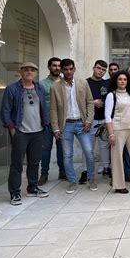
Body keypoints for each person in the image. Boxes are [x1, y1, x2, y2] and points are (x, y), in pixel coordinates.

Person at [1, 62, 50, 205]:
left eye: (32, 70)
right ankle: (15, 193)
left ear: (35, 72)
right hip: (20, 132)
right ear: (20, 72)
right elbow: (5, 110)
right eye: (26, 69)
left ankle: (32, 188)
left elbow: (44, 107)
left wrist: (45, 123)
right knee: (17, 164)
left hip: (38, 131)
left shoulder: (39, 88)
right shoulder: (12, 89)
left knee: (34, 162)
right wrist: (12, 129)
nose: (29, 72)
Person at [50, 58, 96, 194]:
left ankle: (91, 179)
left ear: (74, 69)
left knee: (89, 152)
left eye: (71, 69)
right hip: (66, 125)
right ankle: (71, 182)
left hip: (82, 124)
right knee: (67, 155)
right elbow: (52, 109)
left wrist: (88, 121)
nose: (68, 72)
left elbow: (90, 102)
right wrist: (56, 128)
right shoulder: (56, 87)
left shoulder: (83, 83)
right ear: (62, 70)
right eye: (66, 69)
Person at [38, 57, 65, 185]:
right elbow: (39, 104)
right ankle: (44, 173)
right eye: (54, 66)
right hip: (47, 122)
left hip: (62, 122)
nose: (57, 68)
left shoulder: (65, 82)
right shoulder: (42, 84)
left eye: (59, 66)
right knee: (45, 148)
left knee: (62, 148)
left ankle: (62, 171)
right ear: (49, 67)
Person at [86, 60, 111, 178]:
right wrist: (92, 103)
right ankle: (87, 171)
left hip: (104, 120)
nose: (101, 71)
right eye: (99, 68)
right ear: (93, 68)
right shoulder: (85, 83)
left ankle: (106, 168)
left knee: (105, 146)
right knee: (88, 147)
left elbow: (112, 100)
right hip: (90, 120)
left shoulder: (107, 84)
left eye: (103, 70)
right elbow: (80, 101)